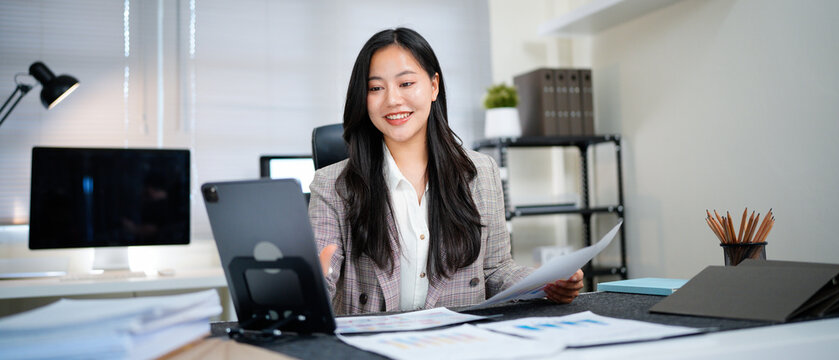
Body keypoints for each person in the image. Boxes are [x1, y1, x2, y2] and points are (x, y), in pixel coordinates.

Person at [309, 27, 583, 315]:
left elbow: (496, 270)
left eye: (406, 83)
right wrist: (313, 280)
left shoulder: (479, 172)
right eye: (376, 88)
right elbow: (322, 280)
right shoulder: (331, 184)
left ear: (433, 86)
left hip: (457, 344)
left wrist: (542, 283)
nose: (392, 100)